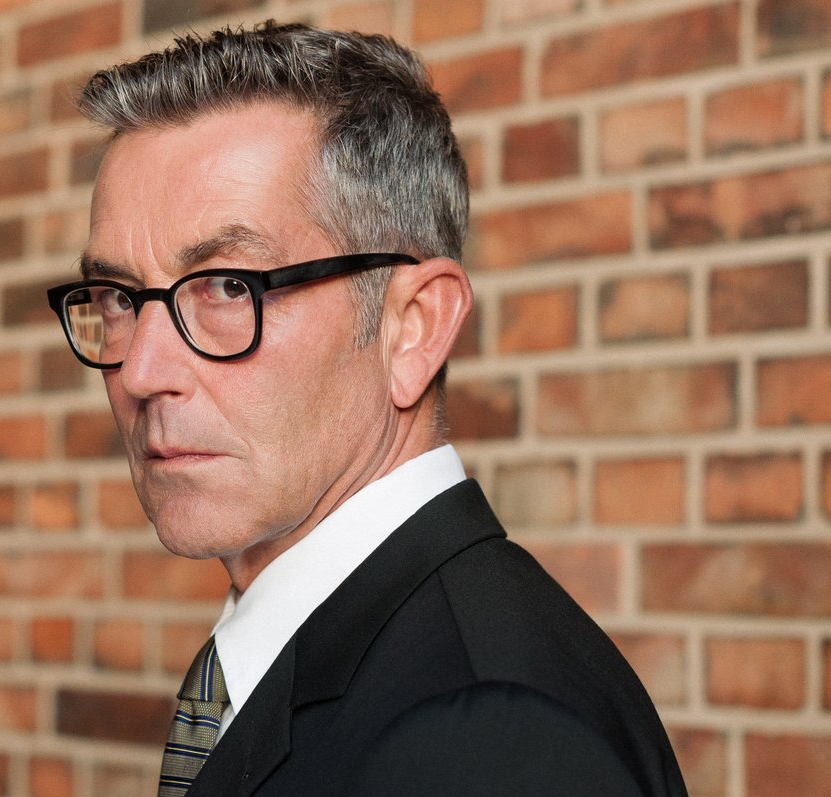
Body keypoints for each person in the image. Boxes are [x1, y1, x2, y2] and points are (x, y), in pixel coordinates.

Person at [47, 21, 687, 797]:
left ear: (412, 328)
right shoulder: (344, 659)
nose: (142, 370)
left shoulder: (490, 737)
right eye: (118, 297)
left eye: (228, 286)